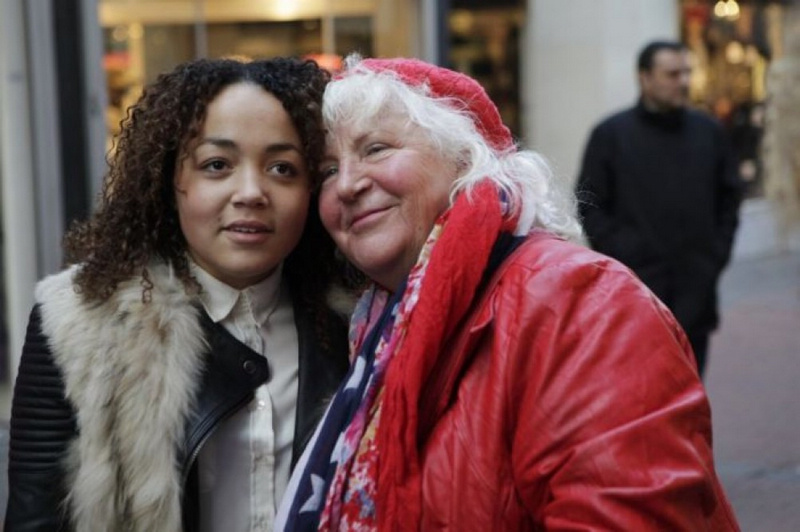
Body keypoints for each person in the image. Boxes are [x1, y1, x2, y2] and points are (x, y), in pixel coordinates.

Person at [276, 55, 740, 531]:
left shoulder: (580, 301)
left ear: (464, 157)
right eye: (327, 171)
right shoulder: (373, 326)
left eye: (375, 149)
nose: (347, 184)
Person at [5, 56, 351, 532]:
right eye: (217, 165)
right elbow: (34, 519)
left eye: (282, 168)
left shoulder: (359, 322)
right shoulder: (78, 325)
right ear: (171, 180)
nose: (251, 192)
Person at [575, 40, 743, 376]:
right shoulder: (611, 135)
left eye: (686, 73)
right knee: (637, 391)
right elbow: (589, 203)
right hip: (634, 295)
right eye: (672, 74)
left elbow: (729, 199)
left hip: (695, 292)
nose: (683, 82)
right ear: (645, 77)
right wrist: (624, 257)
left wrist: (713, 256)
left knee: (691, 389)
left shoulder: (709, 132)